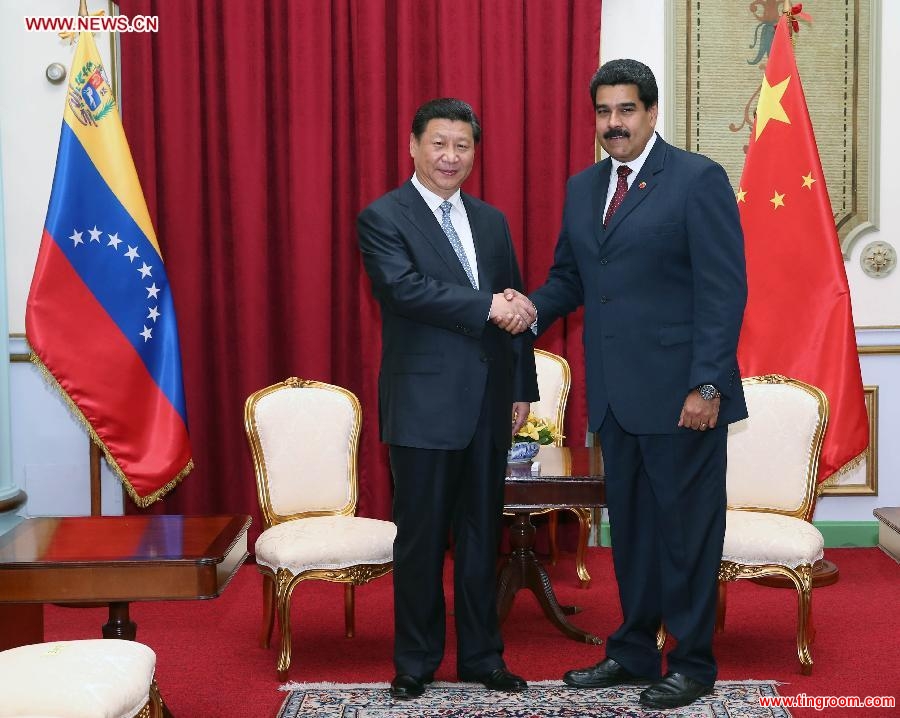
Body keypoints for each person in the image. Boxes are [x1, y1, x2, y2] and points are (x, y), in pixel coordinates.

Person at [523, 59, 748, 710]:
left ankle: (693, 662)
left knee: (687, 534)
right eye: (603, 111)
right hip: (618, 399)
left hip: (683, 398)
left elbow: (723, 289)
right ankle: (631, 652)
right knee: (635, 536)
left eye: (626, 110)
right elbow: (572, 278)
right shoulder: (583, 188)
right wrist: (527, 310)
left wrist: (707, 385)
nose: (613, 124)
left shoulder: (696, 179)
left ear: (651, 113)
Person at [358, 97, 538, 700]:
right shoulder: (383, 217)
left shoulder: (491, 221)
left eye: (462, 146)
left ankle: (484, 656)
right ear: (412, 145)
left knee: (481, 537)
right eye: (439, 143)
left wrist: (521, 388)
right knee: (421, 539)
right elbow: (404, 290)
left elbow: (514, 303)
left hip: (489, 404)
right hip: (422, 406)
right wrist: (488, 305)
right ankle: (415, 660)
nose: (450, 157)